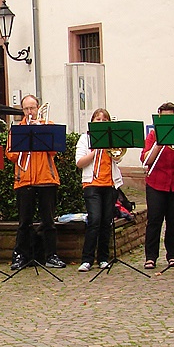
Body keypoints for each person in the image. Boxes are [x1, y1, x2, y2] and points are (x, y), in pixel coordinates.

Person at [6, 94, 64, 270]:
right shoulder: (17, 130)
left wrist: (41, 130)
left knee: (48, 221)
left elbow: (54, 151)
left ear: (38, 108)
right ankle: (21, 256)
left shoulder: (48, 126)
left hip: (46, 179)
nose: (29, 112)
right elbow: (11, 155)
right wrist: (24, 142)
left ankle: (51, 256)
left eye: (32, 108)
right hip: (24, 180)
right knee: (24, 222)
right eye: (26, 109)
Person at [141, 102, 174, 270]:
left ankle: (172, 255)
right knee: (154, 220)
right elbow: (145, 159)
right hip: (156, 182)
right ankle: (151, 257)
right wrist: (158, 144)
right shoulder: (153, 135)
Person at [74, 108, 123, 271]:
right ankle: (87, 259)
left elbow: (118, 158)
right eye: (98, 119)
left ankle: (103, 258)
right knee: (94, 220)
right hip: (92, 184)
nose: (101, 122)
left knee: (106, 222)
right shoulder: (85, 139)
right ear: (92, 122)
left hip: (110, 184)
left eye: (104, 120)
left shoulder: (111, 138)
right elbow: (79, 163)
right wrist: (95, 150)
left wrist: (113, 150)